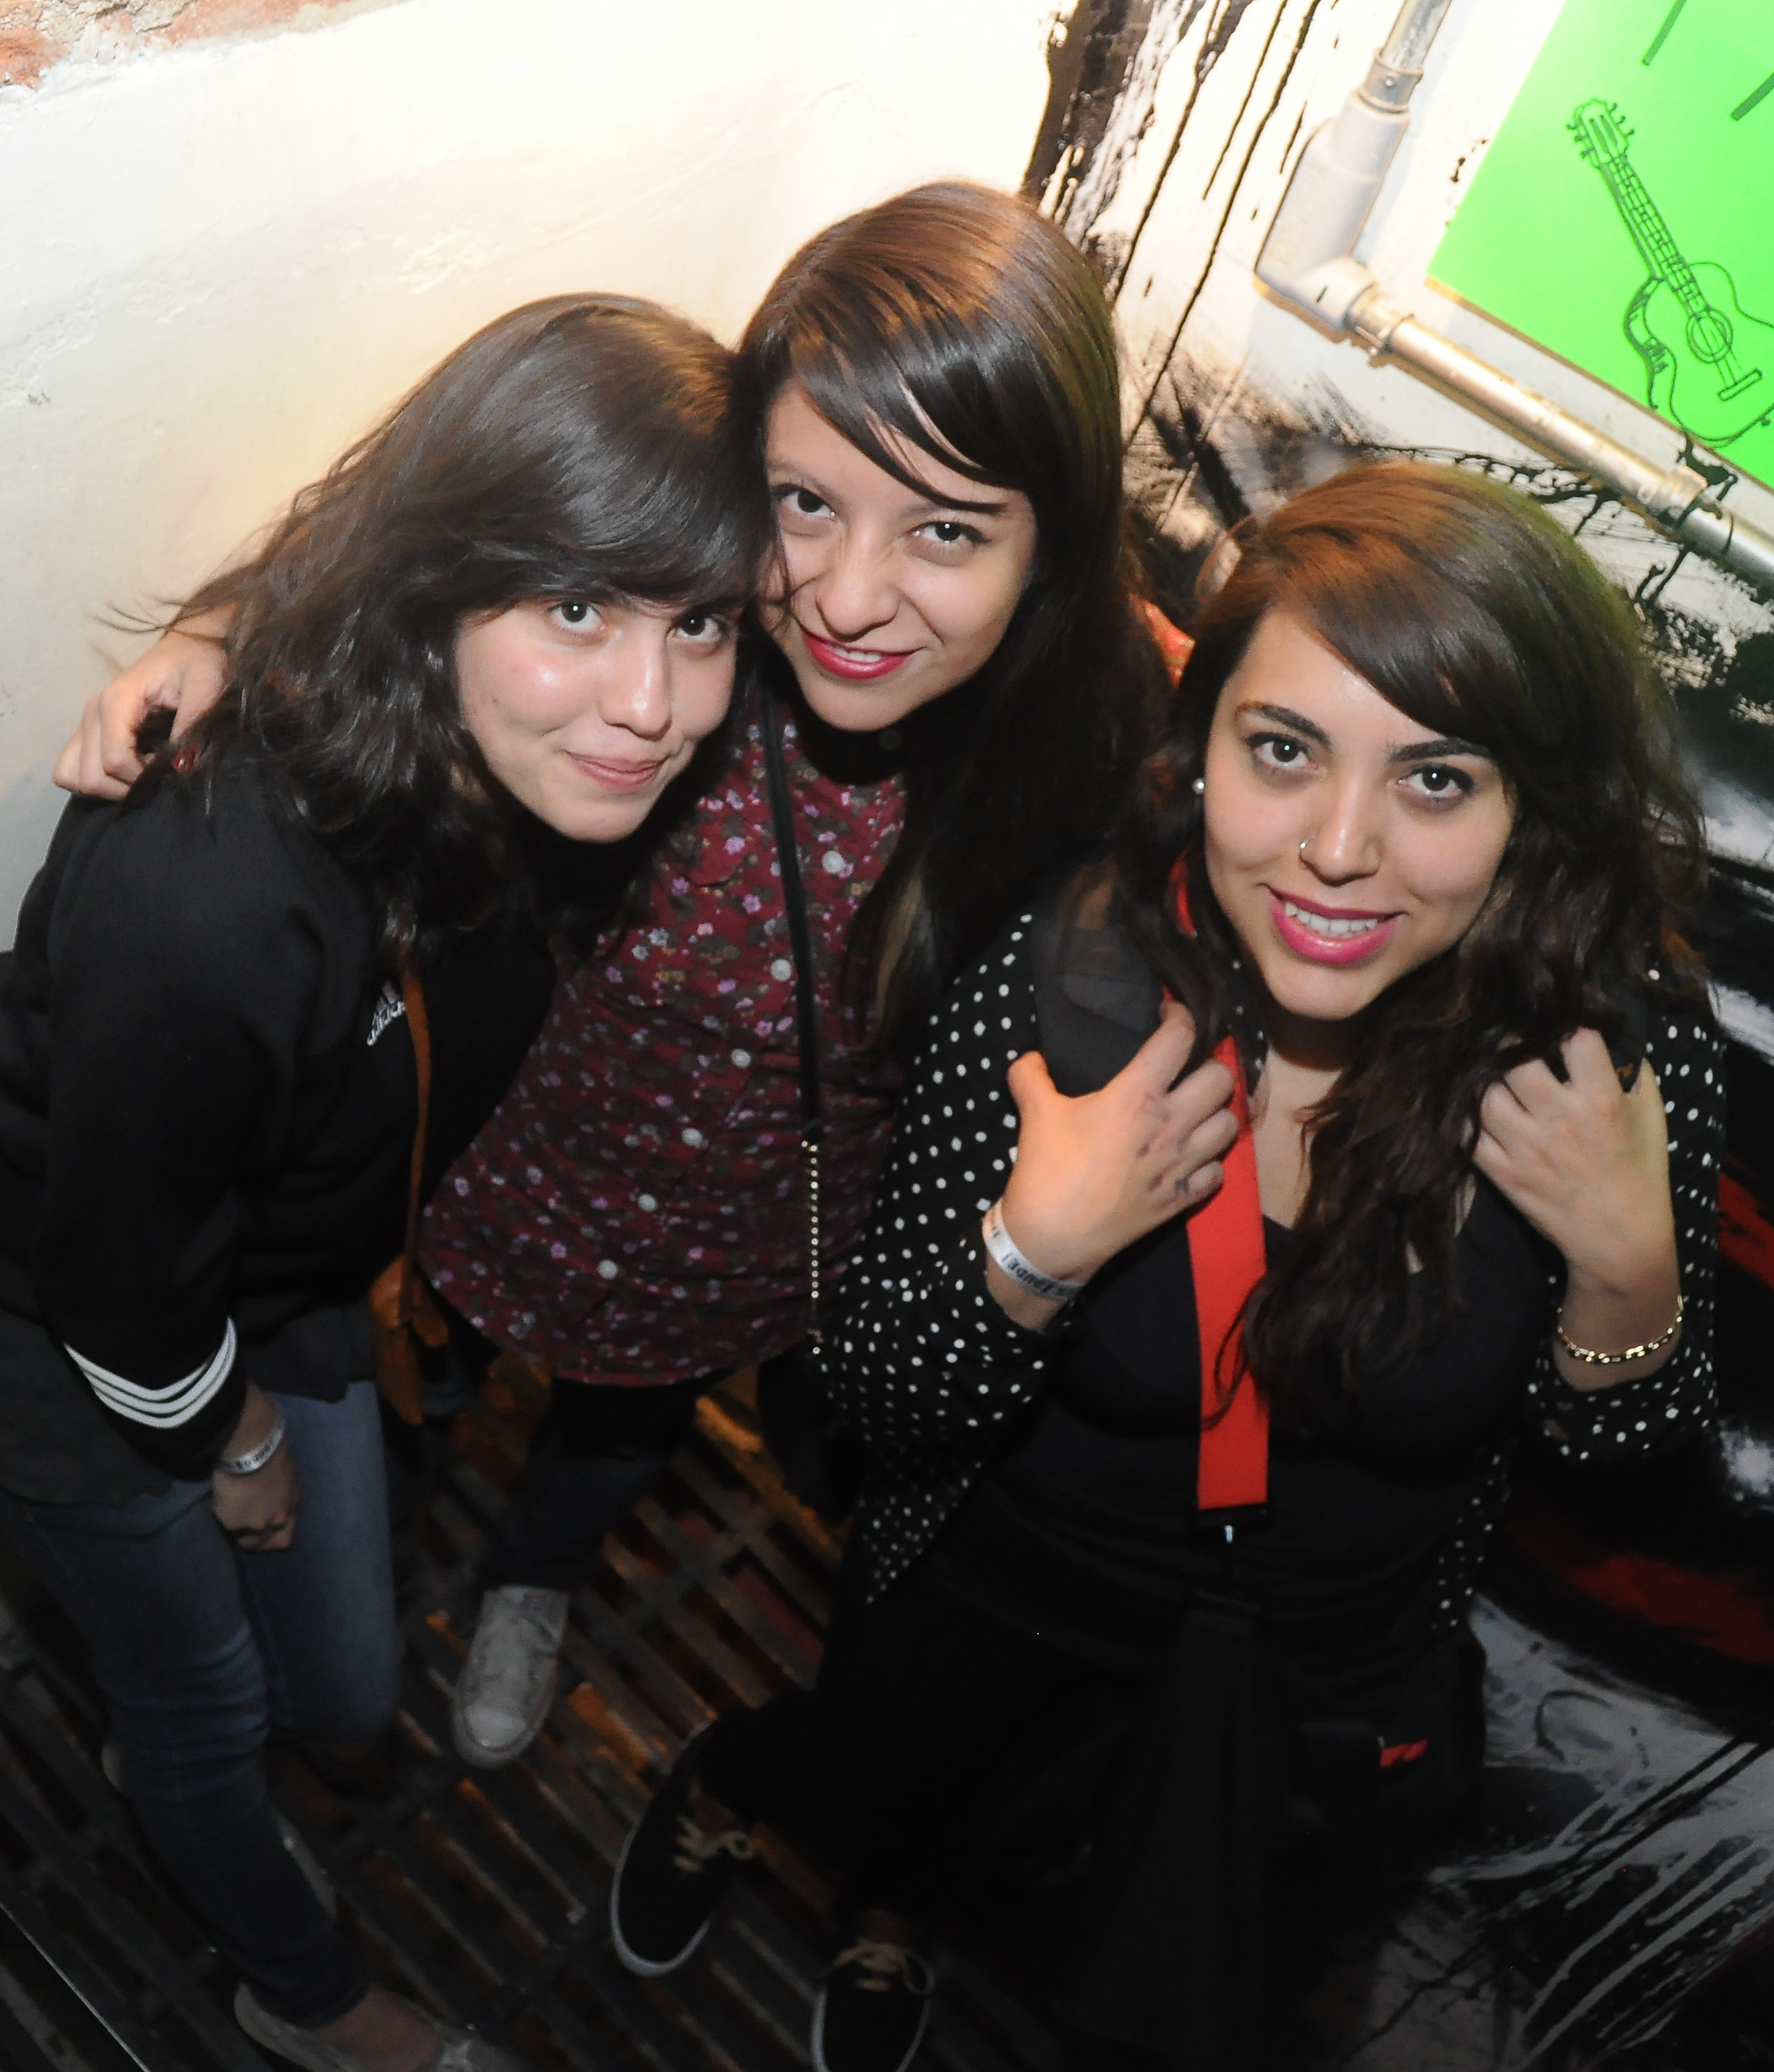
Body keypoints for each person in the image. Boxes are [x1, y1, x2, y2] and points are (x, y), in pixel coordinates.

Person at [608, 462, 1726, 2072]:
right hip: (995, 1588)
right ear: (1200, 755)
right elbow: (869, 1395)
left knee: (1099, 1898)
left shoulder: (1607, 1056)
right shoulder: (1065, 980)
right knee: (875, 1777)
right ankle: (770, 1811)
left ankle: (913, 1911)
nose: (1337, 849)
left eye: (1434, 779)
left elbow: (1620, 1464)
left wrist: (1626, 1273)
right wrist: (1031, 1255)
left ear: (1530, 810)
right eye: (1283, 751)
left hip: (1315, 1665)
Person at [58, 180, 1178, 1788]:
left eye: (945, 529)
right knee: (412, 1400)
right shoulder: (681, 626)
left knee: (612, 1434)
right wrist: (223, 629)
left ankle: (532, 1580)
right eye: (803, 505)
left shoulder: (1094, 729)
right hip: (503, 1150)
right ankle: (375, 1585)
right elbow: (439, 549)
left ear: (1049, 542)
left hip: (756, 1218)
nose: (848, 598)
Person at [0, 293, 763, 2072]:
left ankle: (200, 1749)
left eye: (699, 622)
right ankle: (301, 1988)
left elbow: (349, 562)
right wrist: (233, 1438)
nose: (653, 708)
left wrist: (221, 620)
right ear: (442, 585)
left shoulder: (502, 752)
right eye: (578, 609)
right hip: (58, 1316)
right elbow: (115, 1283)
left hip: (266, 1276)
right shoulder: (215, 886)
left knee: (339, 1684)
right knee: (206, 1691)